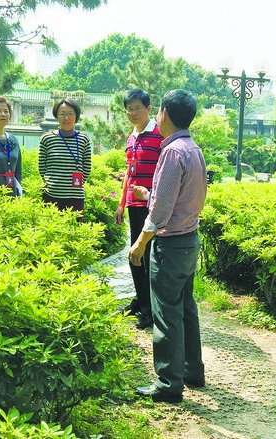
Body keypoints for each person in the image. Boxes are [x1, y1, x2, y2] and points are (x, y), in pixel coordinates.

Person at [129, 89, 207, 403]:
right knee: (186, 309)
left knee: (166, 314)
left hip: (170, 244)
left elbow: (161, 213)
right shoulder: (194, 149)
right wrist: (151, 197)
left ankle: (168, 383)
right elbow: (187, 197)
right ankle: (192, 371)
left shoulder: (173, 152)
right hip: (189, 240)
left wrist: (139, 244)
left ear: (163, 113)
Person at [114, 89, 163, 329]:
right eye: (129, 109)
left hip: (154, 205)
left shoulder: (159, 134)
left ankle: (150, 309)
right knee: (135, 254)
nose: (133, 113)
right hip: (134, 205)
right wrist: (121, 203)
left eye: (137, 108)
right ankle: (141, 301)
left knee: (148, 255)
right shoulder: (131, 137)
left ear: (148, 108)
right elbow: (128, 174)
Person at [38, 98, 91, 217]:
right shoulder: (47, 138)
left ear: (76, 116)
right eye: (62, 114)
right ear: (56, 116)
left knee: (74, 232)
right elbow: (42, 166)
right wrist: (52, 183)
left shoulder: (83, 139)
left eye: (70, 114)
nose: (66, 118)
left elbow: (87, 168)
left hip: (75, 197)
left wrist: (75, 185)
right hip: (51, 195)